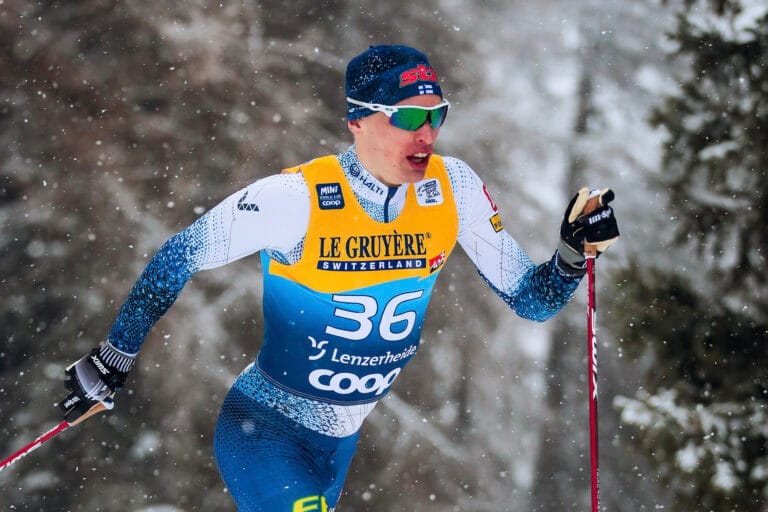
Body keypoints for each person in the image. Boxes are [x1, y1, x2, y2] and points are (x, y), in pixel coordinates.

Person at [59, 44, 620, 511]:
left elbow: (532, 300)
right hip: (264, 430)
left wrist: (571, 254)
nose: (426, 134)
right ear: (357, 120)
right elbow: (179, 255)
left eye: (436, 115)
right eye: (407, 117)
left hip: (339, 445)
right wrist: (113, 358)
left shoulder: (453, 190)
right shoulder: (297, 199)